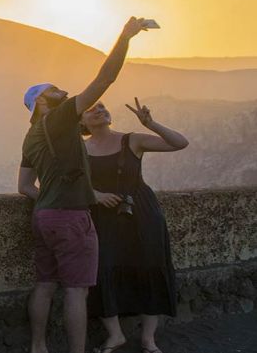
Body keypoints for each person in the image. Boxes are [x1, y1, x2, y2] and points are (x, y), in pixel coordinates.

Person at [17, 16, 149, 353]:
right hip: (71, 218)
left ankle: (38, 346)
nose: (61, 91)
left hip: (44, 216)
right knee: (77, 291)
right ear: (43, 103)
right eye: (53, 90)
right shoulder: (59, 119)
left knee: (45, 284)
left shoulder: (31, 137)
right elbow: (105, 78)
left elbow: (24, 187)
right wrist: (125, 36)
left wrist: (52, 197)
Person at [80, 98, 188, 353]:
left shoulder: (132, 140)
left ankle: (149, 339)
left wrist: (150, 123)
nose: (99, 110)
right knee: (102, 270)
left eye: (103, 107)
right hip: (102, 215)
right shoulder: (80, 150)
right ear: (81, 121)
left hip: (141, 211)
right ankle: (115, 335)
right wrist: (95, 195)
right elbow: (71, 182)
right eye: (91, 109)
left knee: (150, 266)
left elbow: (179, 143)